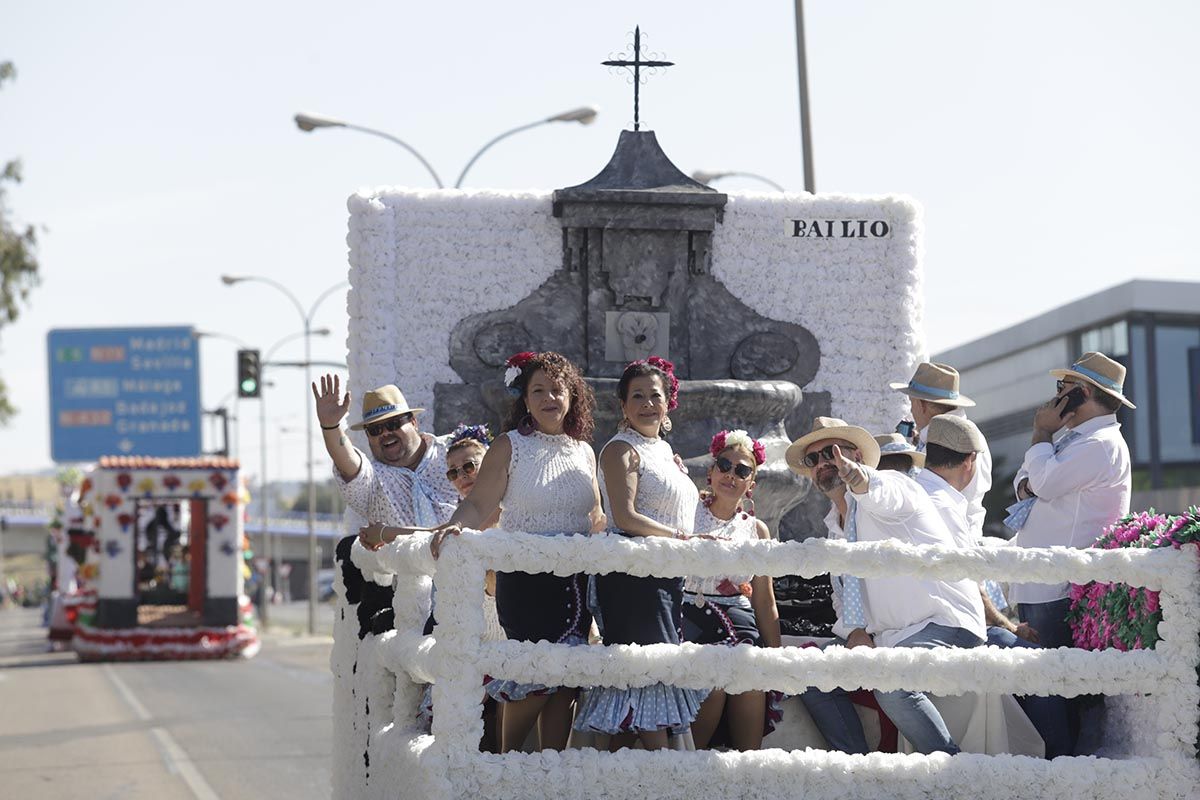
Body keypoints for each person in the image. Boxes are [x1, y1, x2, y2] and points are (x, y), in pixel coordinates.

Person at [429, 351, 604, 753]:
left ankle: (551, 778)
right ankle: (504, 773)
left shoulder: (584, 451)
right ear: (524, 399)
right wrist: (457, 524)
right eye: (538, 390)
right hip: (526, 583)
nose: (549, 398)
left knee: (565, 687)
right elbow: (478, 504)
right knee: (535, 682)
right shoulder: (510, 446)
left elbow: (595, 516)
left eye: (557, 389)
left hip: (575, 585)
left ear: (571, 396)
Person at [786, 417, 986, 755]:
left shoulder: (894, 484)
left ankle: (957, 775)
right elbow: (843, 597)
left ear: (858, 458)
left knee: (892, 684)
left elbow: (880, 493)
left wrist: (858, 477)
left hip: (944, 624)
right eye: (814, 458)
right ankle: (860, 772)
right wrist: (854, 633)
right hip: (890, 639)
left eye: (832, 453)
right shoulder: (835, 528)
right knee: (806, 668)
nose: (823, 463)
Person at [917, 415, 1071, 758]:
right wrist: (1010, 626)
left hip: (920, 628)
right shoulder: (944, 505)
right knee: (1037, 665)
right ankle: (1061, 769)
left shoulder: (920, 493)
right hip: (948, 630)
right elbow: (973, 588)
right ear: (970, 462)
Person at [572, 357, 705, 751]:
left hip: (665, 578)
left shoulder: (664, 451)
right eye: (638, 397)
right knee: (645, 676)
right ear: (623, 405)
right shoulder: (620, 450)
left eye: (656, 395)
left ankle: (651, 776)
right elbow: (627, 517)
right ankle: (663, 771)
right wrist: (682, 539)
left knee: (659, 673)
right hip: (632, 581)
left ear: (668, 402)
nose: (648, 403)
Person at [360, 423, 505, 751]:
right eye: (453, 473)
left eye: (470, 466)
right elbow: (431, 533)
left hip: (504, 631)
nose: (463, 475)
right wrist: (385, 533)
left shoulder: (507, 511)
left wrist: (386, 532)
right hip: (472, 632)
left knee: (501, 737)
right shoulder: (463, 516)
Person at [1005, 351, 1134, 648]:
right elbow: (1024, 479)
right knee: (1042, 683)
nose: (1056, 396)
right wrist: (1034, 479)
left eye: (1062, 387)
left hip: (1060, 589)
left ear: (1082, 393)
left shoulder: (1100, 444)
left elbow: (1042, 482)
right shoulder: (1076, 438)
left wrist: (1041, 431)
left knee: (1050, 686)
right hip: (1044, 585)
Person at [683, 429, 782, 751]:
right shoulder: (684, 513)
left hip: (738, 619)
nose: (731, 475)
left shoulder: (756, 529)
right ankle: (684, 773)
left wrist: (778, 659)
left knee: (752, 678)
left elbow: (765, 602)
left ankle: (745, 773)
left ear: (751, 484)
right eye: (724, 465)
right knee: (714, 679)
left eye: (742, 470)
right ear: (711, 471)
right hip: (688, 615)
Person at [312, 374, 458, 529]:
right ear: (368, 436)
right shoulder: (373, 481)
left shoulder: (453, 448)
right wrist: (331, 426)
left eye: (393, 424)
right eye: (375, 429)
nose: (385, 433)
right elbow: (348, 461)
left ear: (413, 422)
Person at [891, 362, 992, 541]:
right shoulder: (969, 434)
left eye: (912, 402)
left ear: (922, 405)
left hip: (945, 537)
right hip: (960, 535)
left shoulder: (943, 441)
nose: (911, 410)